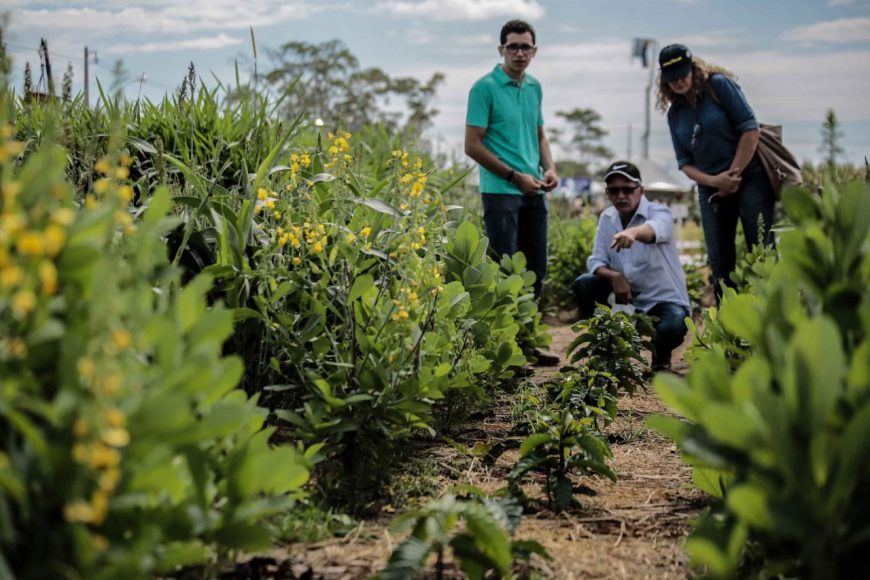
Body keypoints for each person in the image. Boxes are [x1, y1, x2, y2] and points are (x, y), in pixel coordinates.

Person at [465, 19, 559, 366]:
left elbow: (540, 135)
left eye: (526, 47)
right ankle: (504, 354)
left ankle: (527, 344)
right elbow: (471, 145)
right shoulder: (484, 88)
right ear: (501, 50)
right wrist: (513, 175)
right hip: (500, 191)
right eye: (513, 47)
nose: (520, 53)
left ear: (534, 51)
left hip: (533, 189)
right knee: (506, 271)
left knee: (536, 269)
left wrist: (549, 168)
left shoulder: (534, 87)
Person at [657, 43, 775, 302]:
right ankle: (727, 327)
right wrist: (715, 182)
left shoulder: (718, 86)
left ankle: (771, 316)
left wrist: (731, 176)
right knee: (720, 261)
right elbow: (684, 163)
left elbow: (750, 129)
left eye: (682, 74)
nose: (678, 81)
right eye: (671, 77)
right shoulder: (675, 113)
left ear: (693, 69)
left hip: (748, 177)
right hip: (711, 188)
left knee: (762, 249)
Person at [573, 161, 690, 371]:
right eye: (614, 190)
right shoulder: (607, 218)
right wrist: (615, 277)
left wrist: (633, 233)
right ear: (608, 193)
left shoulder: (660, 212)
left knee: (673, 325)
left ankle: (660, 355)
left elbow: (655, 230)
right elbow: (596, 261)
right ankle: (608, 351)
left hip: (662, 301)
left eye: (627, 189)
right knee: (585, 283)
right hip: (625, 299)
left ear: (641, 190)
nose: (621, 195)